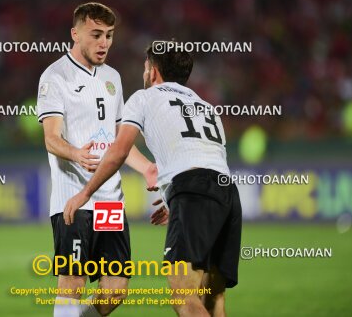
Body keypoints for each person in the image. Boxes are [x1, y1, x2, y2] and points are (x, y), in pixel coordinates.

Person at [65, 43, 242, 317]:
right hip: (227, 194)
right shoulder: (206, 107)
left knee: (184, 296)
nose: (144, 72)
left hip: (192, 192)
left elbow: (118, 150)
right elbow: (205, 161)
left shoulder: (145, 98)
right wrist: (175, 202)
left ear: (154, 71)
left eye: (146, 67)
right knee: (213, 298)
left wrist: (86, 192)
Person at [37, 2, 157, 317]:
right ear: (75, 34)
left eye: (109, 35)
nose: (104, 42)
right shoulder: (55, 76)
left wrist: (147, 168)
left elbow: (120, 143)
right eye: (96, 35)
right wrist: (76, 153)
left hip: (108, 202)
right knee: (72, 283)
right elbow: (51, 138)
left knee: (115, 288)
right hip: (73, 200)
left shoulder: (113, 78)